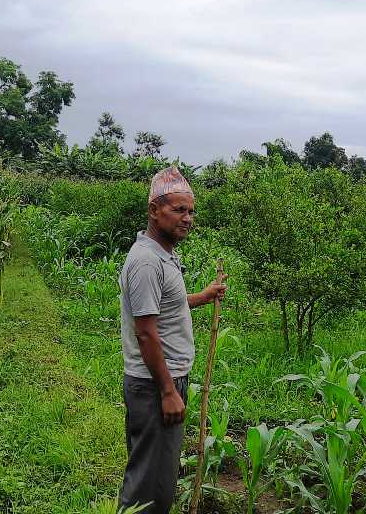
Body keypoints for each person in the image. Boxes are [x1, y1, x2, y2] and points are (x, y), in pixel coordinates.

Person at [118, 166, 227, 514]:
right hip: (154, 385)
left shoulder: (163, 255)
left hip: (165, 381)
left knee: (161, 478)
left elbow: (166, 307)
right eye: (178, 210)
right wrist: (167, 391)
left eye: (191, 211)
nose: (187, 218)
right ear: (154, 211)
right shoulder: (147, 262)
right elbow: (146, 332)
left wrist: (204, 296)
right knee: (147, 484)